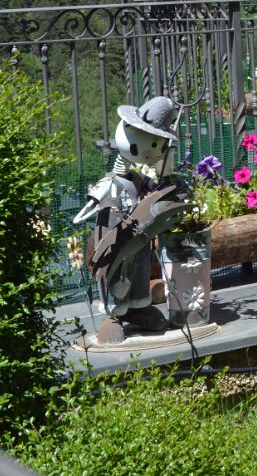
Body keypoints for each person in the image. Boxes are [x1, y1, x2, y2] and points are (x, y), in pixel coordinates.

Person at [73, 96, 189, 344]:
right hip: (115, 238)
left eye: (158, 144)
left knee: (139, 271)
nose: (151, 152)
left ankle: (138, 306)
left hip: (139, 237)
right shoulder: (112, 182)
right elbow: (85, 211)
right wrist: (95, 205)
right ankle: (114, 313)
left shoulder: (139, 180)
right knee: (115, 274)